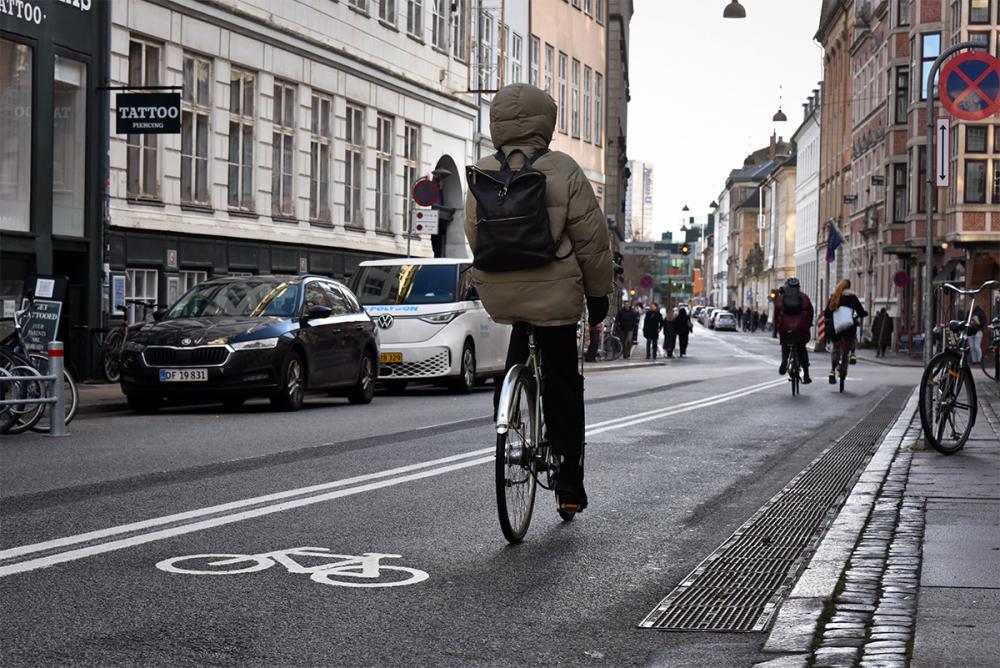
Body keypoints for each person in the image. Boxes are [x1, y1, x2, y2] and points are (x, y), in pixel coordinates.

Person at [464, 83, 613, 512]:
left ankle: (508, 409)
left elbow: (475, 235)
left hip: (503, 295)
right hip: (555, 295)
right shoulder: (563, 169)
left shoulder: (483, 170)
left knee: (518, 352)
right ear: (545, 121)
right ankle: (569, 484)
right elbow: (592, 241)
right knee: (564, 382)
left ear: (498, 123)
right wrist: (599, 294)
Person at [824, 278, 868, 384]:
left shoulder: (834, 297)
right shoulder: (852, 297)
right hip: (848, 327)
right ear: (849, 287)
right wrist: (863, 314)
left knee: (836, 347)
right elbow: (860, 311)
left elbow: (827, 314)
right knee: (852, 335)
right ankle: (852, 353)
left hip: (836, 328)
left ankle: (832, 371)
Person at [774, 278, 814, 384]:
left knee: (785, 343)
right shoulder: (804, 297)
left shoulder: (781, 298)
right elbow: (810, 311)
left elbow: (776, 312)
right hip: (800, 328)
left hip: (785, 327)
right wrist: (809, 323)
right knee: (801, 348)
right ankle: (806, 374)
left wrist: (776, 327)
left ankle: (784, 361)